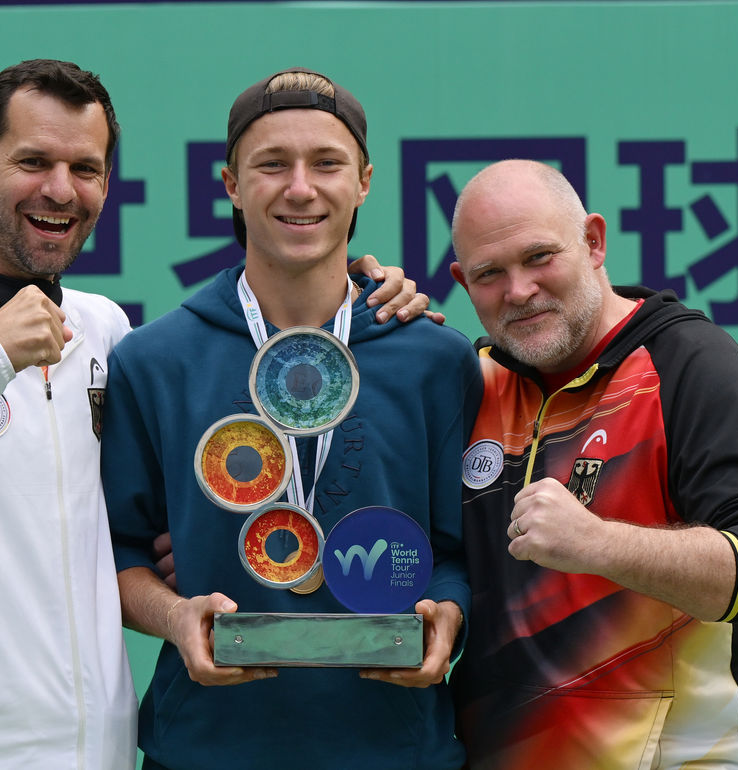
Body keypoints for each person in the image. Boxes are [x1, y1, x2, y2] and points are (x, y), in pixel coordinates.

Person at [0, 59, 425, 770]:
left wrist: (354, 297)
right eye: (32, 162)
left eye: (86, 168)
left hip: (92, 753)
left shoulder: (103, 330)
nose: (60, 190)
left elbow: (140, 525)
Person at [102, 68, 483, 770]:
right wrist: (174, 616)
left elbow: (460, 549)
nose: (300, 188)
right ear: (230, 184)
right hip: (206, 750)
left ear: (364, 181)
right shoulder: (155, 360)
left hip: (396, 749)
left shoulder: (436, 359)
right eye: (271, 164)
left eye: (326, 163)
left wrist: (447, 621)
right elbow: (116, 555)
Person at [446, 159, 738, 769]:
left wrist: (598, 543)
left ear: (593, 242)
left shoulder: (692, 364)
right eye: (490, 273)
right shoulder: (471, 384)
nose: (519, 290)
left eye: (540, 257)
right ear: (462, 280)